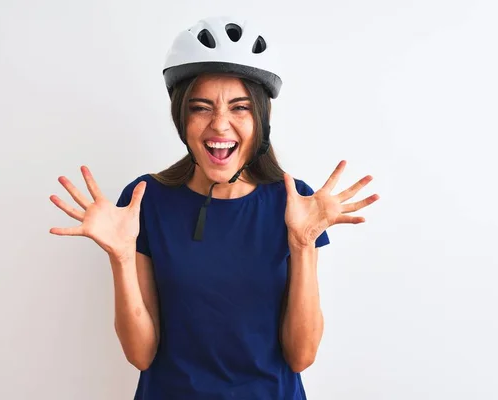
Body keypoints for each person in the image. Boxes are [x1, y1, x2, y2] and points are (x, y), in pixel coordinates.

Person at [49, 16, 379, 400]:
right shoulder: (146, 199)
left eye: (240, 108)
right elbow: (141, 356)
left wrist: (302, 244)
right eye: (201, 108)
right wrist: (121, 258)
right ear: (181, 118)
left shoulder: (295, 202)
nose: (220, 125)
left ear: (261, 120)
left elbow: (301, 357)